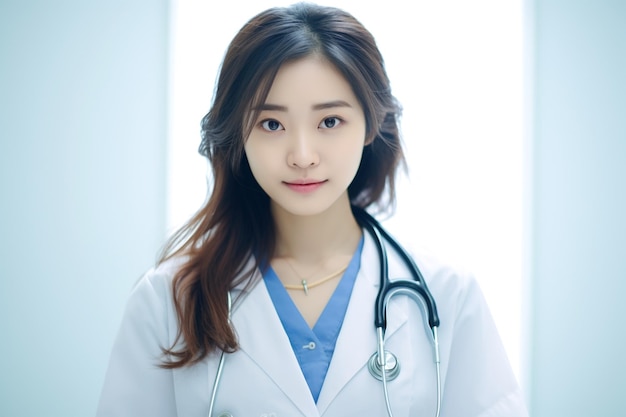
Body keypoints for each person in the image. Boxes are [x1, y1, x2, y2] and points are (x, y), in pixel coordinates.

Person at [97, 3, 528, 416]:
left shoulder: (447, 294)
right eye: (271, 124)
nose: (302, 155)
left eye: (329, 121)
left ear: (369, 126)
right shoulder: (168, 300)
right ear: (239, 136)